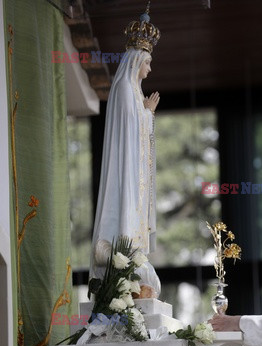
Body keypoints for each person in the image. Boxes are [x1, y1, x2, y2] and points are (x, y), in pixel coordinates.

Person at [90, 4, 162, 298]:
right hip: (125, 171)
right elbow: (127, 133)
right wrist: (146, 114)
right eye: (147, 62)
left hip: (134, 173)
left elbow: (137, 130)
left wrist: (146, 114)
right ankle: (122, 262)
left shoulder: (133, 91)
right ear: (137, 60)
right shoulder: (123, 89)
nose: (149, 68)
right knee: (124, 221)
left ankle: (132, 263)